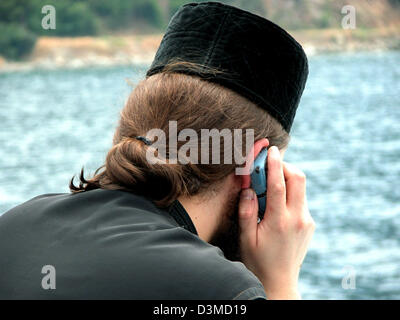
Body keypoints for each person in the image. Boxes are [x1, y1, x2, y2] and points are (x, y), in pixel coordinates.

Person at [0, 2, 315, 300]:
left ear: (125, 129)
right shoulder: (222, 288)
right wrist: (280, 281)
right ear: (256, 166)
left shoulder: (14, 226)